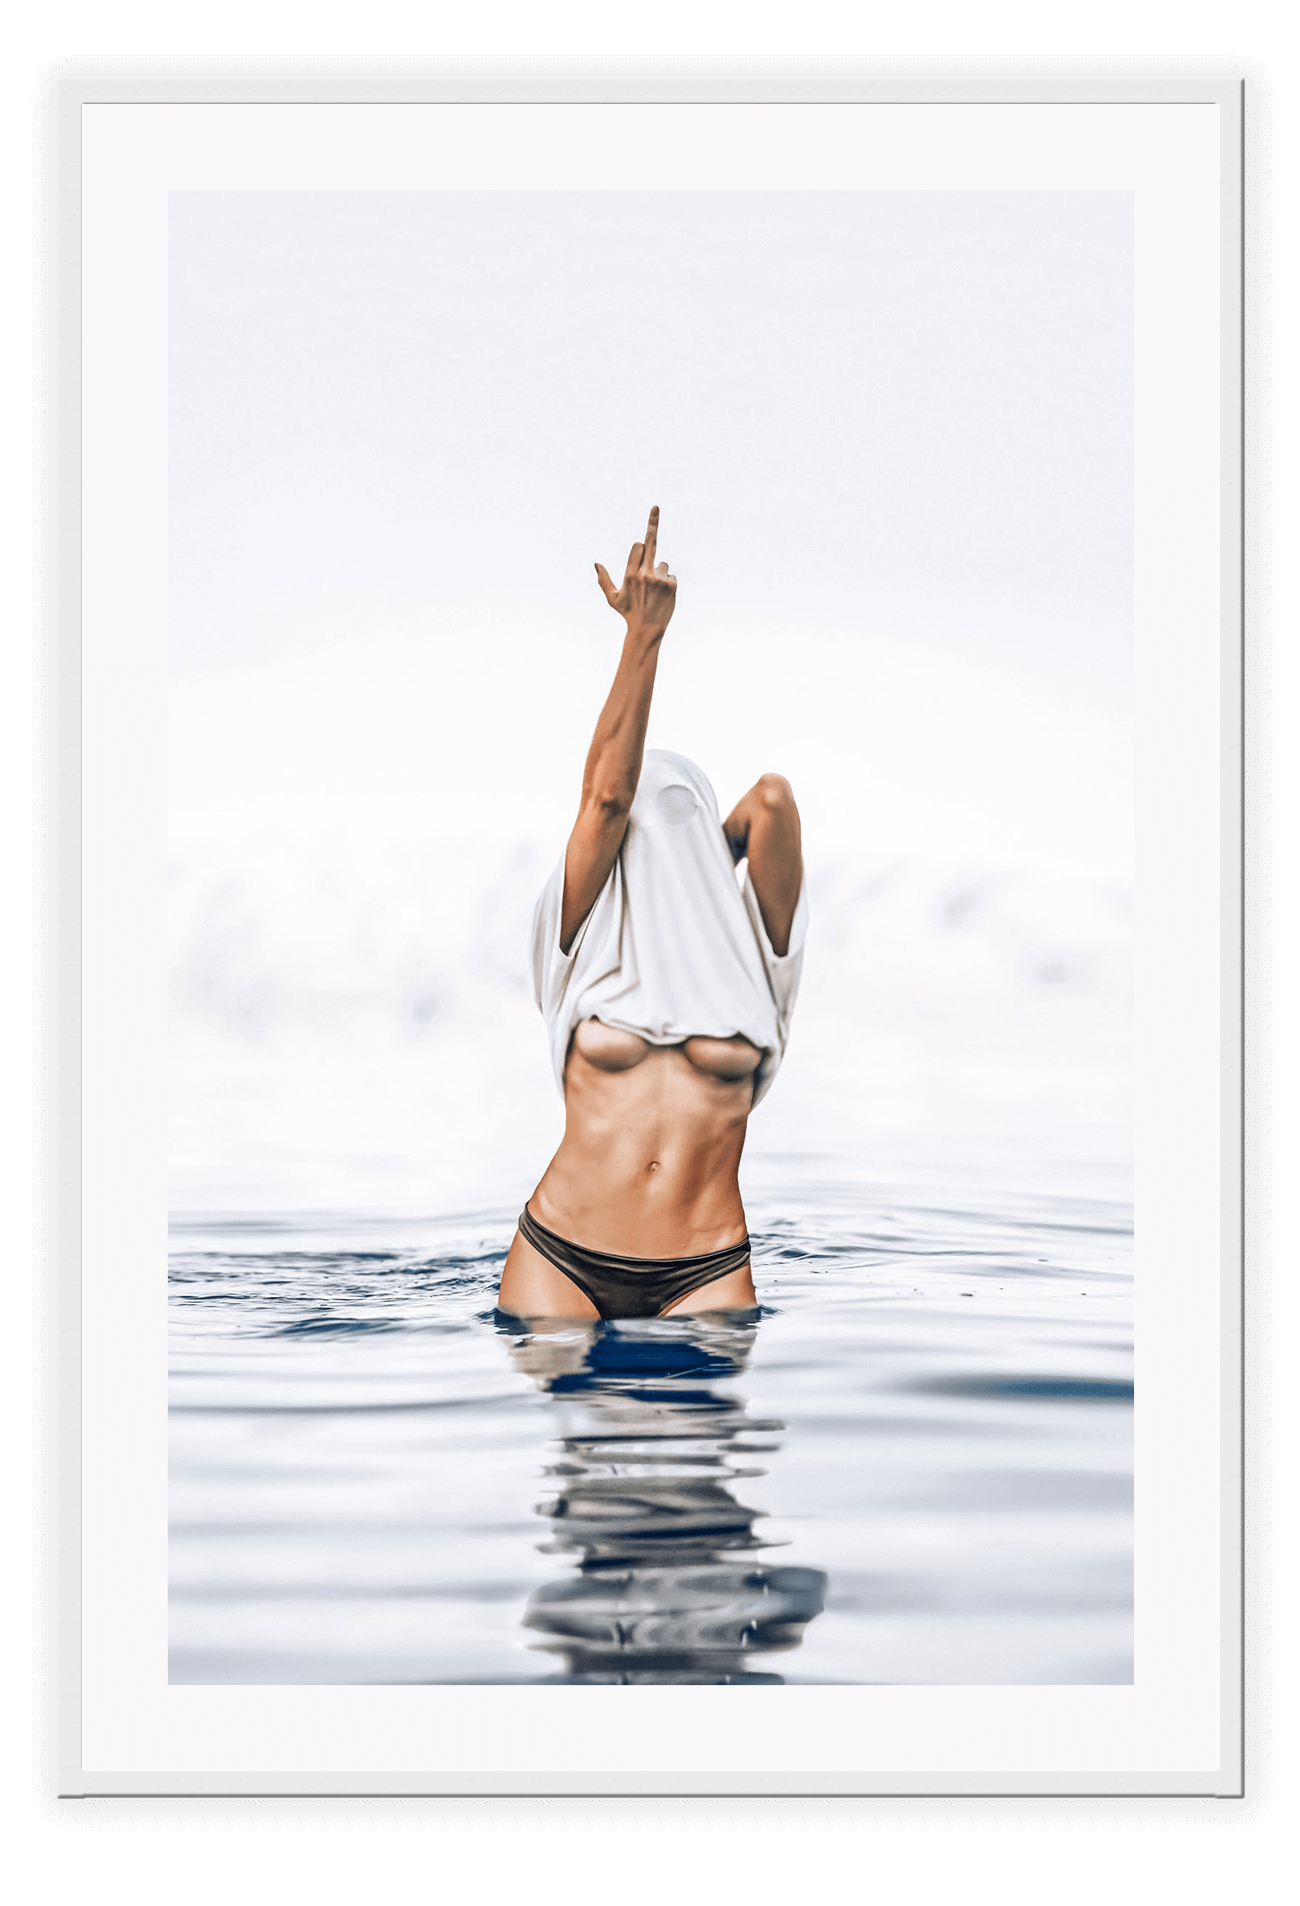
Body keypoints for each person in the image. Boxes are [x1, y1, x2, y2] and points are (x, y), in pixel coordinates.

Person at [496, 507, 807, 1321]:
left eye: (684, 825)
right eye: (648, 831)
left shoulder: (752, 955)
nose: (660, 840)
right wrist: (643, 637)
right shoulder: (575, 932)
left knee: (706, 1451)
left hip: (706, 1268)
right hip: (562, 1255)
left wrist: (710, 856)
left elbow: (773, 801)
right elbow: (605, 800)